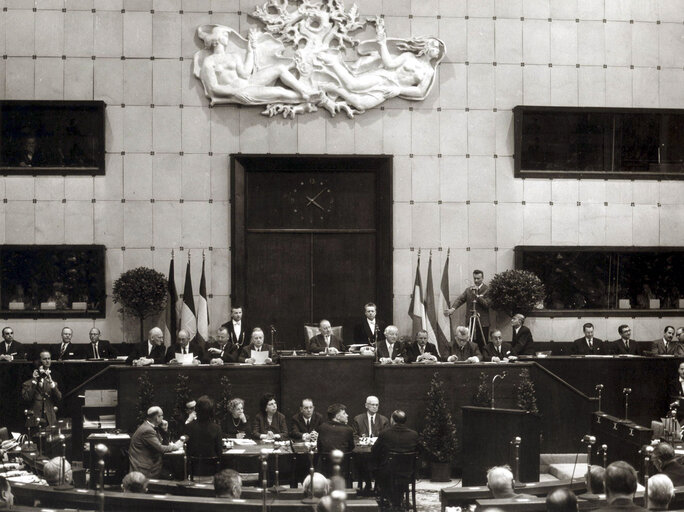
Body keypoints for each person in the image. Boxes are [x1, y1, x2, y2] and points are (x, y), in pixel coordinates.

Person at [371, 410, 419, 508]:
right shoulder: (414, 434)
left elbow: (374, 450)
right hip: (408, 473)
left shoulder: (384, 434)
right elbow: (419, 452)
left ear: (392, 420)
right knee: (398, 474)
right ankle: (399, 499)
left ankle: (389, 498)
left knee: (376, 467)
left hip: (388, 473)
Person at [128, 406, 183, 478]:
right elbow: (161, 448)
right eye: (162, 416)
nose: (163, 418)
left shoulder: (149, 427)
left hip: (148, 464)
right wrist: (176, 446)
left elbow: (164, 444)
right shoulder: (147, 430)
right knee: (176, 472)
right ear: (157, 417)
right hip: (145, 468)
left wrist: (165, 430)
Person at [445, 269, 491, 349]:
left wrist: (477, 296)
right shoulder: (468, 290)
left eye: (478, 278)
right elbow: (460, 299)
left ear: (482, 278)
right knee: (470, 343)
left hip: (483, 323)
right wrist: (453, 309)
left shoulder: (487, 290)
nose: (476, 281)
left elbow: (487, 305)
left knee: (483, 344)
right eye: (474, 278)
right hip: (470, 321)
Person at [22, 350, 61, 426]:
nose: (47, 361)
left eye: (49, 358)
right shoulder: (29, 380)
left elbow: (59, 398)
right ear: (39, 361)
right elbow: (27, 398)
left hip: (50, 419)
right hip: (34, 419)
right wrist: (34, 381)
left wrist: (52, 384)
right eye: (44, 359)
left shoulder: (54, 378)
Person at [185, 395, 223, 459]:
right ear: (211, 412)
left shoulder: (189, 427)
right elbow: (219, 452)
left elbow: (188, 451)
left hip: (193, 467)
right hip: (212, 466)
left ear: (196, 410)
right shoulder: (217, 428)